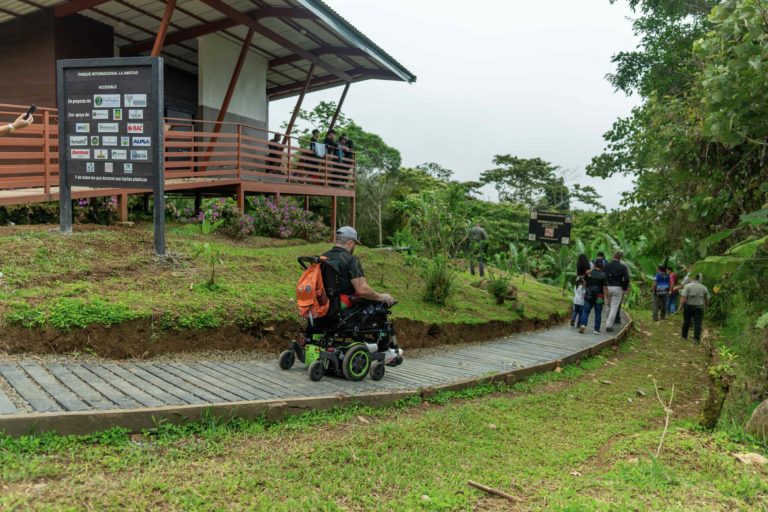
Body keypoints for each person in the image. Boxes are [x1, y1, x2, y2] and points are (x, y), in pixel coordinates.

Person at [322, 226, 394, 309]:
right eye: (355, 244)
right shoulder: (351, 260)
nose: (354, 247)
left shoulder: (323, 257)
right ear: (350, 243)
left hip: (324, 308)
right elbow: (362, 290)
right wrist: (381, 297)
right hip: (343, 310)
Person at [579, 258, 609, 334]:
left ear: (595, 264)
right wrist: (607, 298)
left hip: (589, 294)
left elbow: (584, 283)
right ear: (602, 265)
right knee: (598, 312)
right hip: (599, 296)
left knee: (585, 310)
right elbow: (605, 287)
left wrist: (586, 290)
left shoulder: (588, 273)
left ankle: (583, 324)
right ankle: (596, 329)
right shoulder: (603, 275)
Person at [604, 251, 630, 332]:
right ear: (620, 258)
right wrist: (624, 288)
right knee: (614, 307)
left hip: (607, 287)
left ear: (613, 256)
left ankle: (607, 321)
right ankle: (608, 325)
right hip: (617, 288)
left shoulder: (606, 266)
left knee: (607, 305)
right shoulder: (623, 267)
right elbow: (627, 278)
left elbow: (602, 276)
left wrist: (603, 286)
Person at [680, 273, 710, 343]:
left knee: (686, 322)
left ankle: (684, 337)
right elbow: (707, 298)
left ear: (692, 278)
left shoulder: (687, 286)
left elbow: (683, 298)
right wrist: (706, 305)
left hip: (688, 306)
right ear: (699, 278)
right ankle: (696, 339)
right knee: (698, 323)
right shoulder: (703, 287)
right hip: (699, 307)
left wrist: (680, 307)